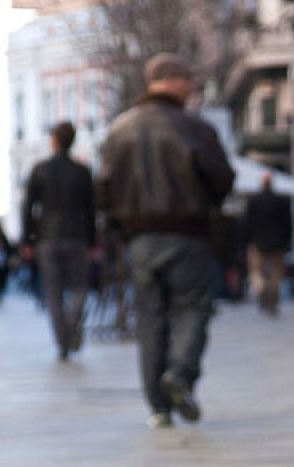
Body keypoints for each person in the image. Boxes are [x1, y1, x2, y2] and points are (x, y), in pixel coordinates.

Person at [96, 53, 233, 428]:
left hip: (139, 237)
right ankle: (181, 372)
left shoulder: (119, 130)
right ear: (171, 81)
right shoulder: (194, 128)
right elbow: (223, 178)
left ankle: (158, 405)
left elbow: (103, 189)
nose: (192, 89)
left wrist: (118, 226)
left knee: (151, 318)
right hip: (186, 232)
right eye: (188, 81)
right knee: (191, 307)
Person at [21, 121, 95, 360]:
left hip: (48, 236)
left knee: (53, 291)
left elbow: (28, 206)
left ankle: (63, 339)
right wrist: (93, 241)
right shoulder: (81, 171)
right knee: (79, 288)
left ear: (54, 140)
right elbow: (90, 209)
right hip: (76, 235)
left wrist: (28, 239)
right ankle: (71, 328)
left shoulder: (40, 169)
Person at [244, 171, 291, 317]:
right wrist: (287, 242)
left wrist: (248, 241)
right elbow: (288, 224)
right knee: (276, 275)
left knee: (257, 273)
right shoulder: (282, 201)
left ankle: (263, 291)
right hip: (278, 244)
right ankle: (272, 300)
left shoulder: (254, 201)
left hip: (258, 243)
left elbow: (247, 224)